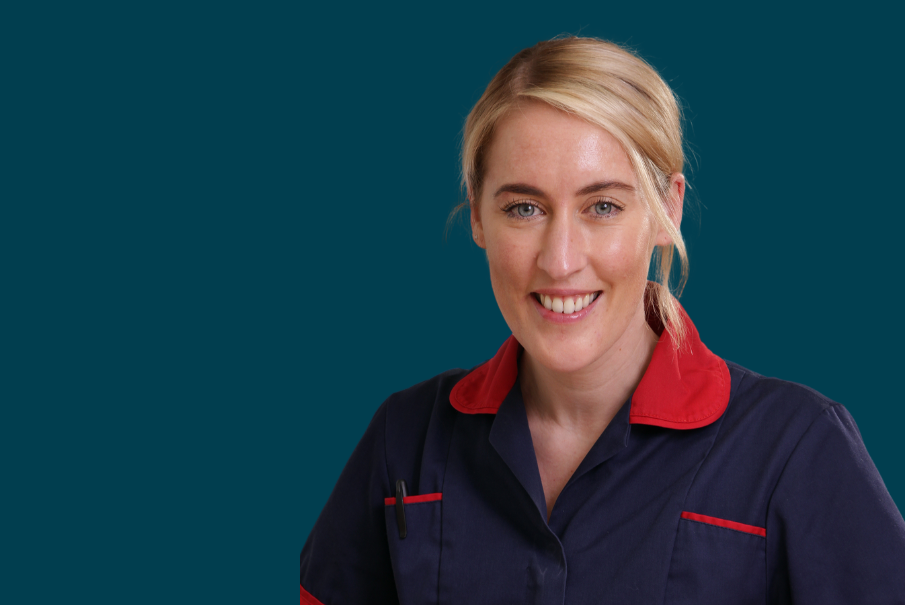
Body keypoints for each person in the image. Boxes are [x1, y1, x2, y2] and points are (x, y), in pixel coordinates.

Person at [299, 37, 905, 604]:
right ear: (478, 215)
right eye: (524, 208)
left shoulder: (798, 448)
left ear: (668, 209)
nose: (560, 260)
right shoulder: (404, 441)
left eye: (603, 206)